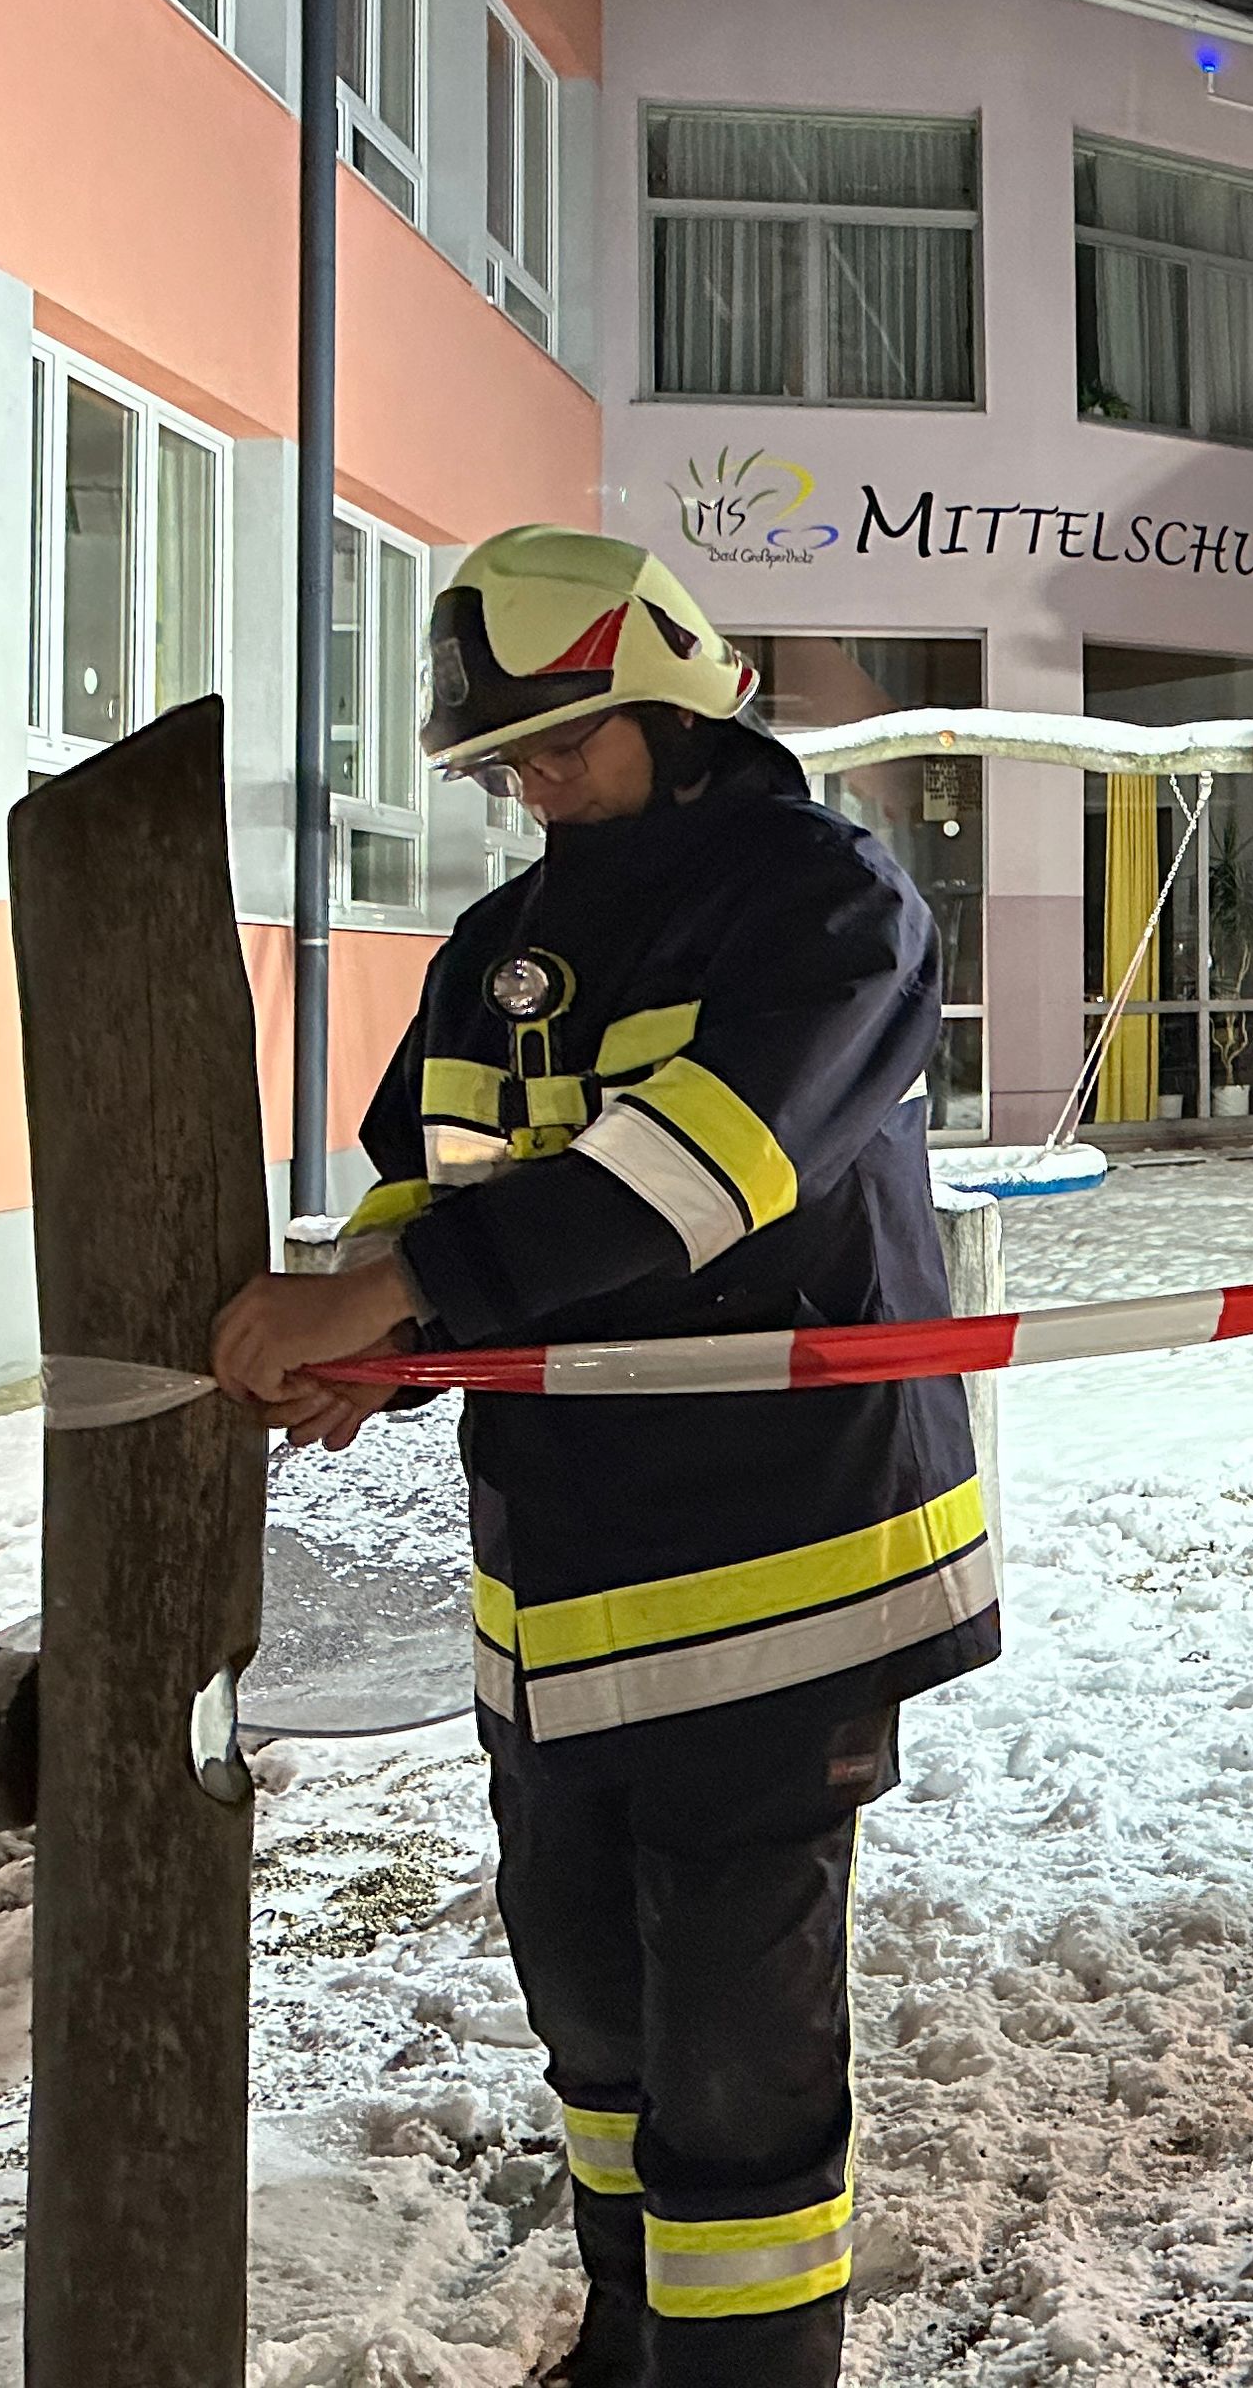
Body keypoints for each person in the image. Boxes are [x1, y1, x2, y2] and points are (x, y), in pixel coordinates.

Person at [208, 526, 996, 2388]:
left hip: (787, 1569)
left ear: (676, 694)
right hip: (561, 1592)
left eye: (566, 743)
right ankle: (637, 2336)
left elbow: (704, 1170)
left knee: (737, 2054)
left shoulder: (823, 899)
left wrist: (411, 1287)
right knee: (592, 2014)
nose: (534, 785)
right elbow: (427, 1184)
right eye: (504, 764)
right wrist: (384, 1346)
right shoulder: (497, 954)